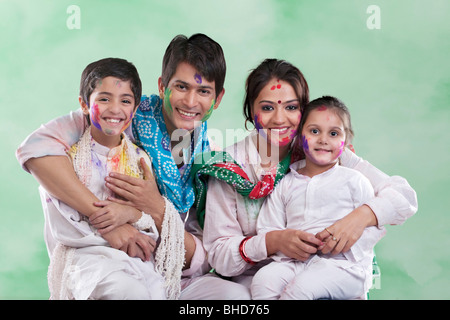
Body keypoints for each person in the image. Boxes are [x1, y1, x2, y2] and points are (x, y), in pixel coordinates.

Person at [16, 34, 250, 299]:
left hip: (168, 275)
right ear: (162, 86)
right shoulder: (119, 116)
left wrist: (155, 208)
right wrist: (110, 222)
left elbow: (202, 257)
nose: (190, 102)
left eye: (203, 91)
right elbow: (36, 150)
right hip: (106, 262)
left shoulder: (206, 161)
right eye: (181, 87)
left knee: (235, 296)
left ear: (217, 99)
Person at [192, 58, 418, 295]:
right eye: (267, 108)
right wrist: (273, 242)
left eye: (291, 107)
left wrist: (360, 217)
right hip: (256, 285)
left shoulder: (323, 150)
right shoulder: (229, 166)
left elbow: (404, 198)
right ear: (250, 111)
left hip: (330, 274)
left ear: (304, 111)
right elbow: (219, 256)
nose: (280, 119)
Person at [41, 57, 168, 299]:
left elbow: (148, 221)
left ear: (135, 106)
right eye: (104, 99)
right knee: (127, 291)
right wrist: (111, 229)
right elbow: (61, 222)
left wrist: (131, 215)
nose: (115, 109)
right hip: (85, 257)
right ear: (84, 104)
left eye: (125, 101)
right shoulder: (67, 157)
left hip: (132, 258)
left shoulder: (140, 158)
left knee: (158, 291)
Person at [251, 96, 386, 300]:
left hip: (344, 266)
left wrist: (343, 245)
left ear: (346, 140)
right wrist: (286, 245)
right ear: (298, 135)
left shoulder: (354, 180)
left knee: (300, 290)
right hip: (296, 262)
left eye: (333, 133)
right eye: (314, 131)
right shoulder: (286, 182)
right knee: (263, 281)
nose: (323, 139)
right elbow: (268, 226)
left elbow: (373, 227)